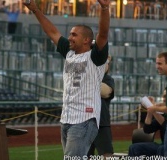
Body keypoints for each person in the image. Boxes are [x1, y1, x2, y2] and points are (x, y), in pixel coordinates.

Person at [23, 0, 110, 158]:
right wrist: (34, 9)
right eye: (70, 34)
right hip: (67, 118)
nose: (69, 37)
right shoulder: (69, 53)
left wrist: (104, 8)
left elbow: (103, 34)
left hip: (85, 119)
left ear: (86, 40)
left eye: (74, 34)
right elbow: (52, 32)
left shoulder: (95, 57)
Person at [87, 55, 115, 158]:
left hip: (101, 123)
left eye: (106, 63)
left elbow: (105, 92)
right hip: (84, 123)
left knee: (106, 154)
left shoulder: (108, 79)